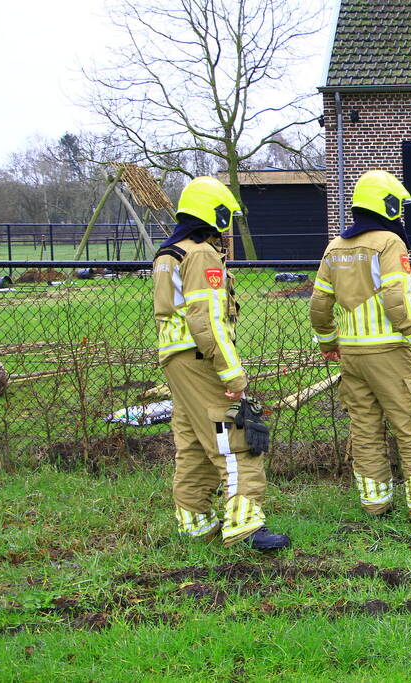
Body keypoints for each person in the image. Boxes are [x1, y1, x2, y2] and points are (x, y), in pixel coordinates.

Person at [309, 170, 411, 522]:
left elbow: (318, 305)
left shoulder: (335, 247)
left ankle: (375, 504)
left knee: (364, 428)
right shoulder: (389, 243)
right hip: (389, 353)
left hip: (351, 355)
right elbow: (396, 300)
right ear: (387, 205)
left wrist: (329, 341)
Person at [152, 176, 289, 549]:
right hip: (201, 359)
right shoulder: (200, 254)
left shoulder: (170, 252)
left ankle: (195, 522)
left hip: (176, 360)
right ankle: (245, 527)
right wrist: (233, 373)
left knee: (194, 441)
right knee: (235, 439)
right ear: (213, 213)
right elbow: (207, 319)